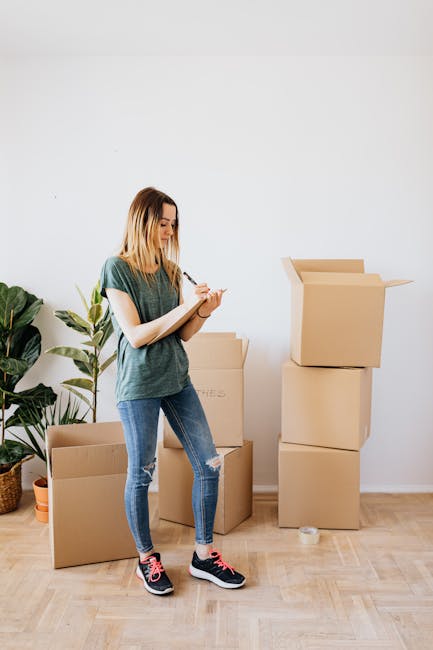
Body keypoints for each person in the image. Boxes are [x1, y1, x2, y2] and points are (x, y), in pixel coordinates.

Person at [100, 187, 246, 596]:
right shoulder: (116, 268)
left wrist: (202, 311)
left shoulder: (170, 269)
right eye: (163, 223)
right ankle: (146, 558)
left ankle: (203, 555)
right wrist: (186, 307)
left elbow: (181, 334)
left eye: (173, 224)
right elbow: (137, 335)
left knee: (210, 464)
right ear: (143, 221)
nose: (168, 231)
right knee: (142, 473)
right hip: (139, 387)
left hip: (176, 379)